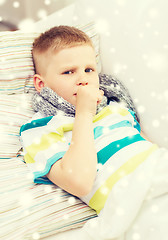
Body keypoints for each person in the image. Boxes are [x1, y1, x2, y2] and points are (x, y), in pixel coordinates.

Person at [20, 26, 167, 218]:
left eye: (89, 69)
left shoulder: (115, 107)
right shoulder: (39, 129)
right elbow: (79, 182)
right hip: (131, 201)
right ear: (41, 84)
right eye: (68, 72)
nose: (83, 79)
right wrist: (84, 112)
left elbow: (150, 148)